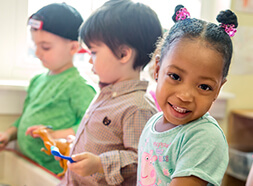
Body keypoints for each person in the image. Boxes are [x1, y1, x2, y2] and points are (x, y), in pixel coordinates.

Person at [57, 0, 163, 185]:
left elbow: (144, 161)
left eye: (94, 52)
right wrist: (76, 145)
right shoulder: (106, 93)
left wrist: (99, 164)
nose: (90, 61)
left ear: (123, 54)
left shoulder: (138, 107)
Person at [137, 5, 238, 186]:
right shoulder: (153, 123)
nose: (185, 96)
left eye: (204, 86)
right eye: (175, 77)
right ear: (158, 69)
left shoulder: (205, 137)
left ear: (218, 89)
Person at [0, 3, 96, 175]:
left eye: (45, 47)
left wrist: (54, 134)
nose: (37, 52)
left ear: (74, 47)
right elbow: (25, 119)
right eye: (35, 45)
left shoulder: (79, 86)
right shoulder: (37, 80)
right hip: (27, 164)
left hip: (53, 172)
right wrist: (8, 134)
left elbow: (91, 128)